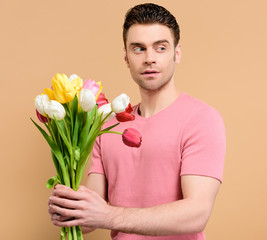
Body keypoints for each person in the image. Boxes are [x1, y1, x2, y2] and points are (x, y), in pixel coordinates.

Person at [48, 3, 226, 240]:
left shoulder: (202, 120)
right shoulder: (107, 126)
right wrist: (69, 210)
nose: (149, 58)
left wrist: (109, 216)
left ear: (177, 52)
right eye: (138, 49)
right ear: (126, 57)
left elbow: (197, 213)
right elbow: (91, 217)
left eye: (160, 47)